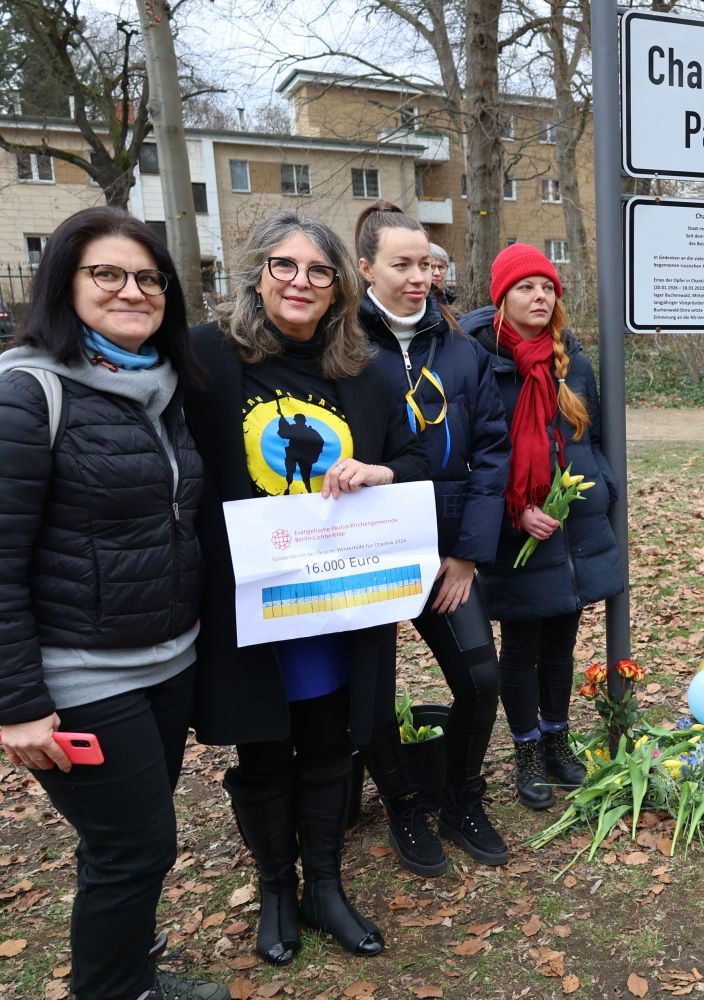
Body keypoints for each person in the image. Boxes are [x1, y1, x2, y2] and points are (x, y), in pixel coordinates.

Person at [184, 211, 429, 965]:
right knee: (263, 753)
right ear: (258, 274)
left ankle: (324, 885)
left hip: (334, 604)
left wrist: (381, 470)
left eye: (320, 270)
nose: (301, 282)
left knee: (328, 747)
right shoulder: (207, 358)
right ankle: (276, 892)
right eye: (284, 266)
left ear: (339, 287)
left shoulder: (366, 372)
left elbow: (419, 464)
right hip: (248, 601)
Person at [0, 207, 226, 1000]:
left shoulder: (165, 389)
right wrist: (18, 704)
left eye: (149, 278)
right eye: (107, 274)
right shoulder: (27, 394)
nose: (133, 291)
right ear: (64, 284)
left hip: (167, 662)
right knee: (136, 847)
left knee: (124, 845)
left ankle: (131, 970)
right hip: (82, 677)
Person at [350, 202, 510, 875]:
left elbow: (492, 453)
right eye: (403, 265)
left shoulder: (463, 351)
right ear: (366, 268)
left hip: (446, 546)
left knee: (479, 678)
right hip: (364, 545)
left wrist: (467, 554)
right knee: (369, 693)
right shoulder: (340, 347)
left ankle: (462, 797)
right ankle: (403, 805)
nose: (420, 278)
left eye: (426, 264)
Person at [478, 244, 624, 809]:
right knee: (521, 646)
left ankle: (558, 740)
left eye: (547, 288)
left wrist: (599, 485)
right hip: (518, 531)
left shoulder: (573, 363)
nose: (539, 297)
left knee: (562, 642)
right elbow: (477, 454)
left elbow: (594, 438)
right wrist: (514, 510)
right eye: (525, 288)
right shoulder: (483, 363)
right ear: (502, 297)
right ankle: (527, 752)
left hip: (573, 528)